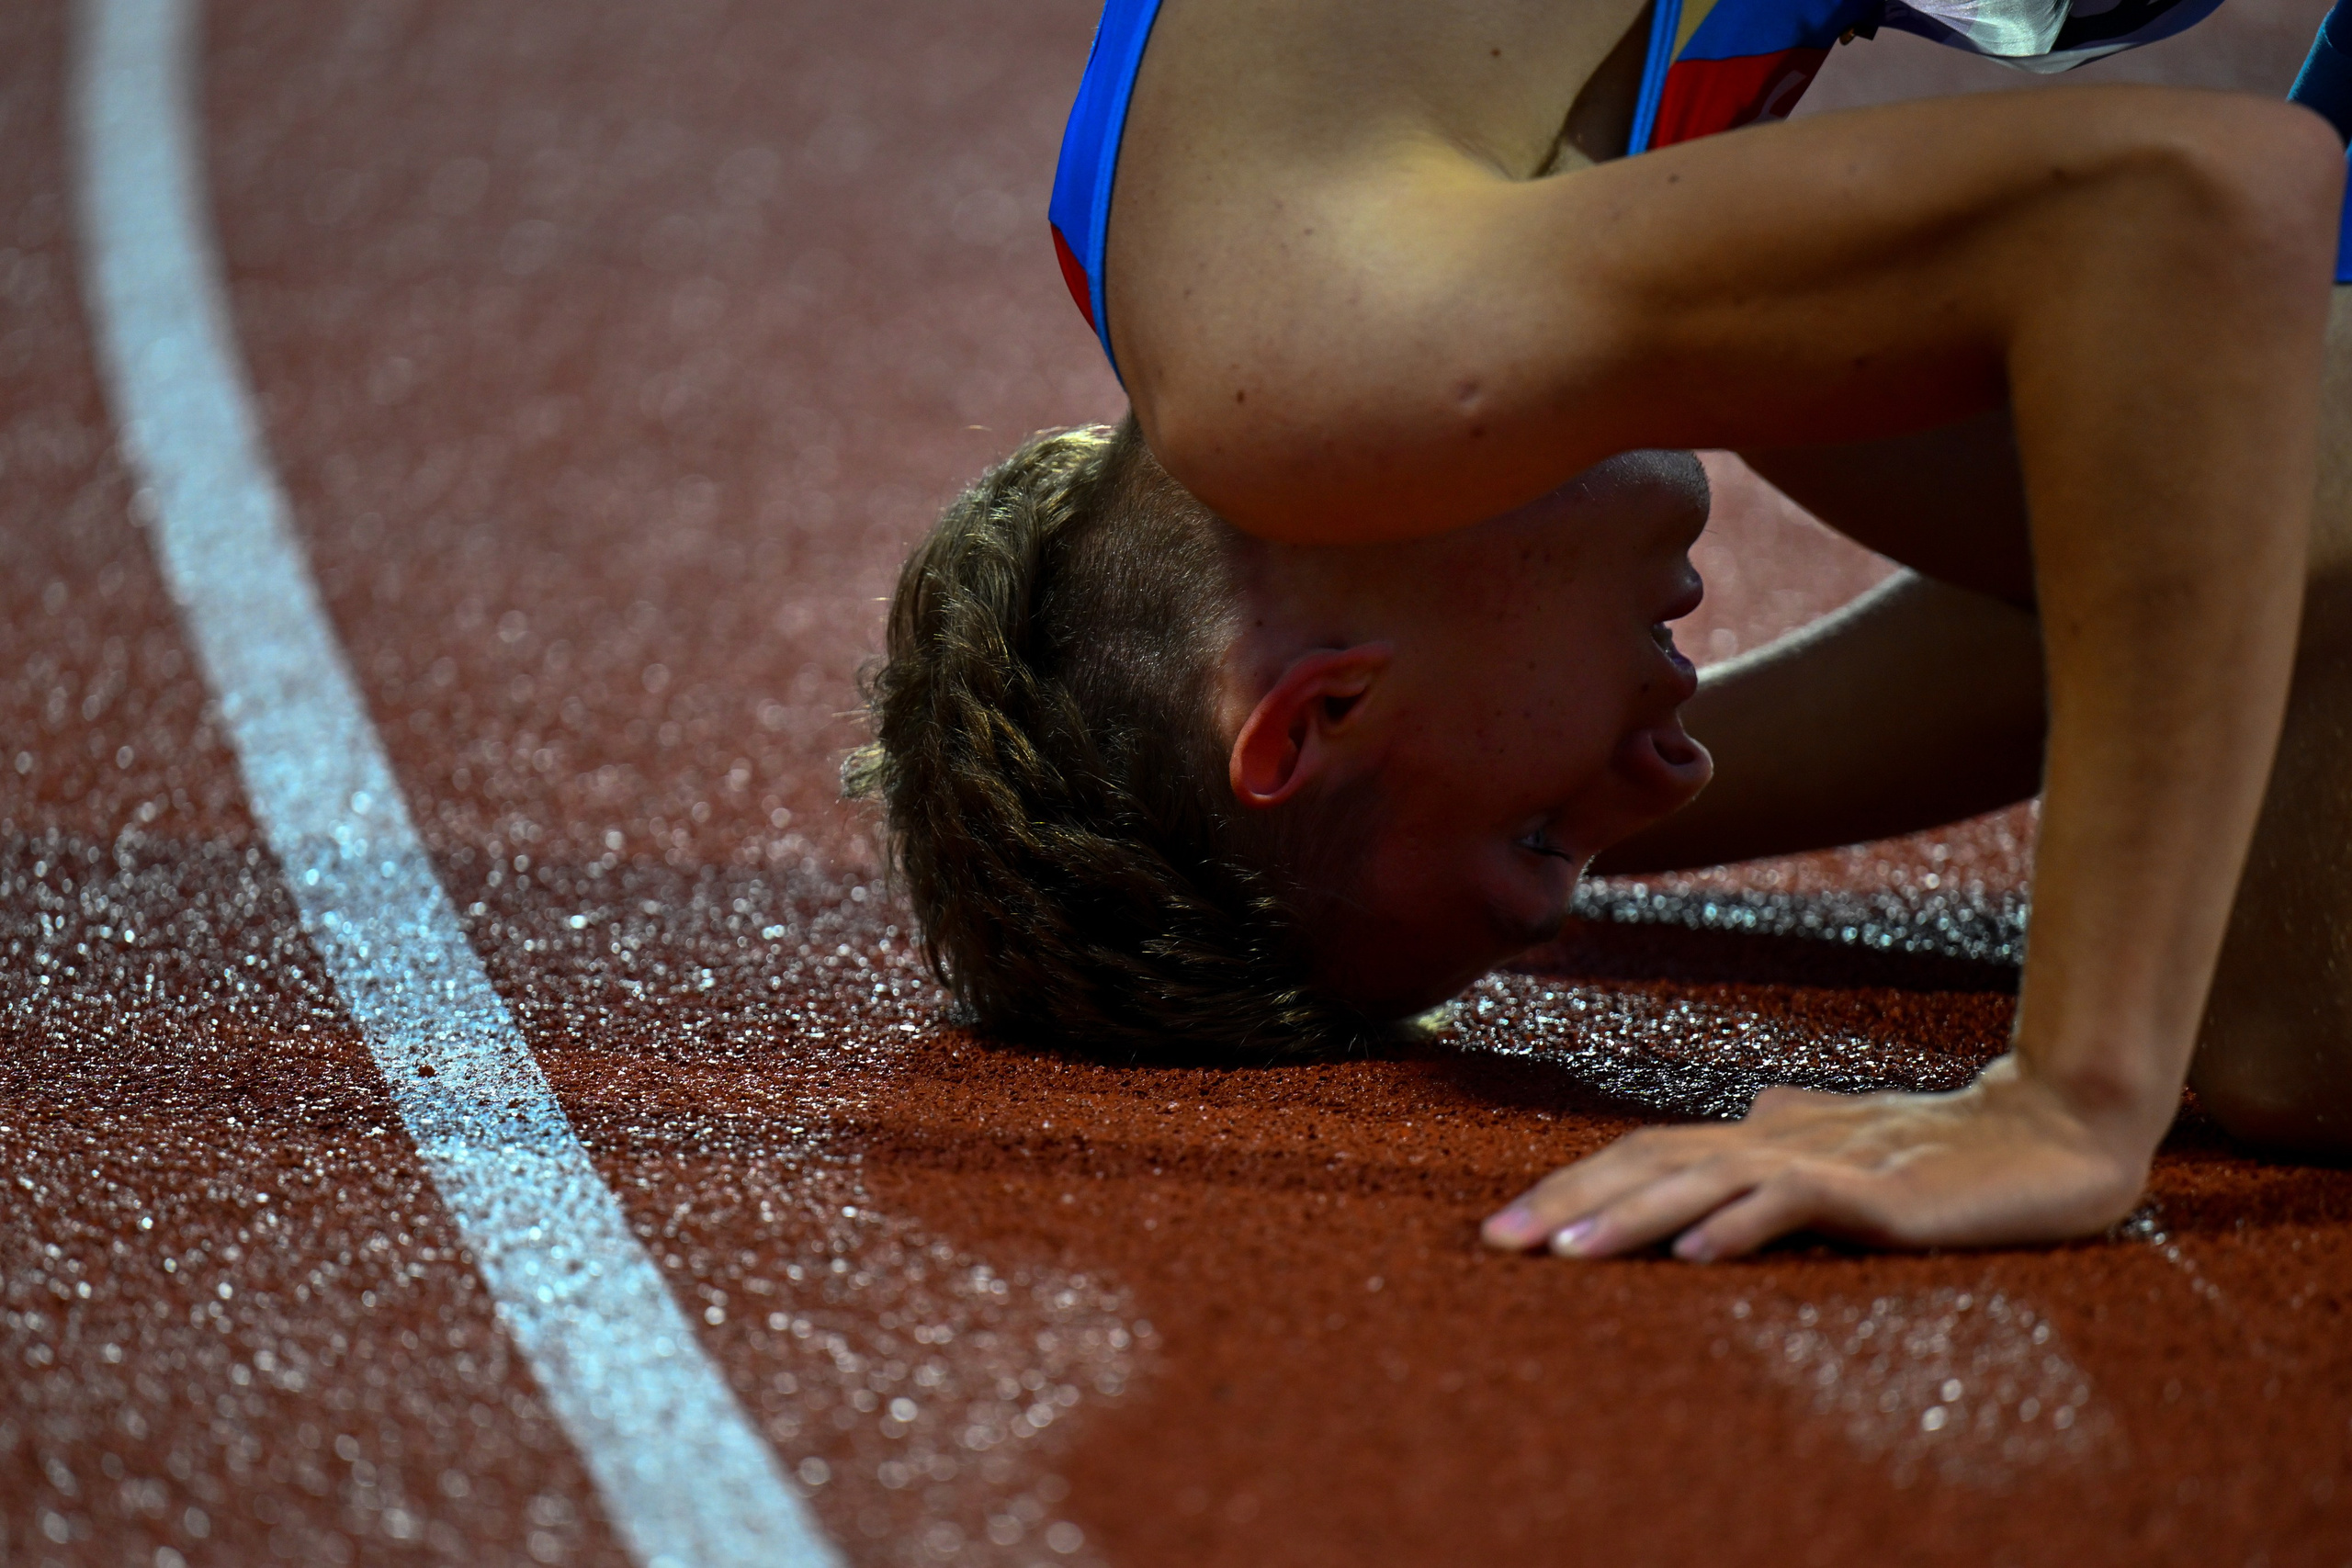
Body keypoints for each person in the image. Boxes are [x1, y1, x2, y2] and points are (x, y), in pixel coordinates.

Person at [848, 0, 2352, 1261]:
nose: (1670, 788)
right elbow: (2157, 592)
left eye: (1549, 831)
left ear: (1311, 721)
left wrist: (2074, 1095)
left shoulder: (1308, 364)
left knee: (2292, 1027)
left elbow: (2187, 203)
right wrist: (1516, 846)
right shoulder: (1317, 275)